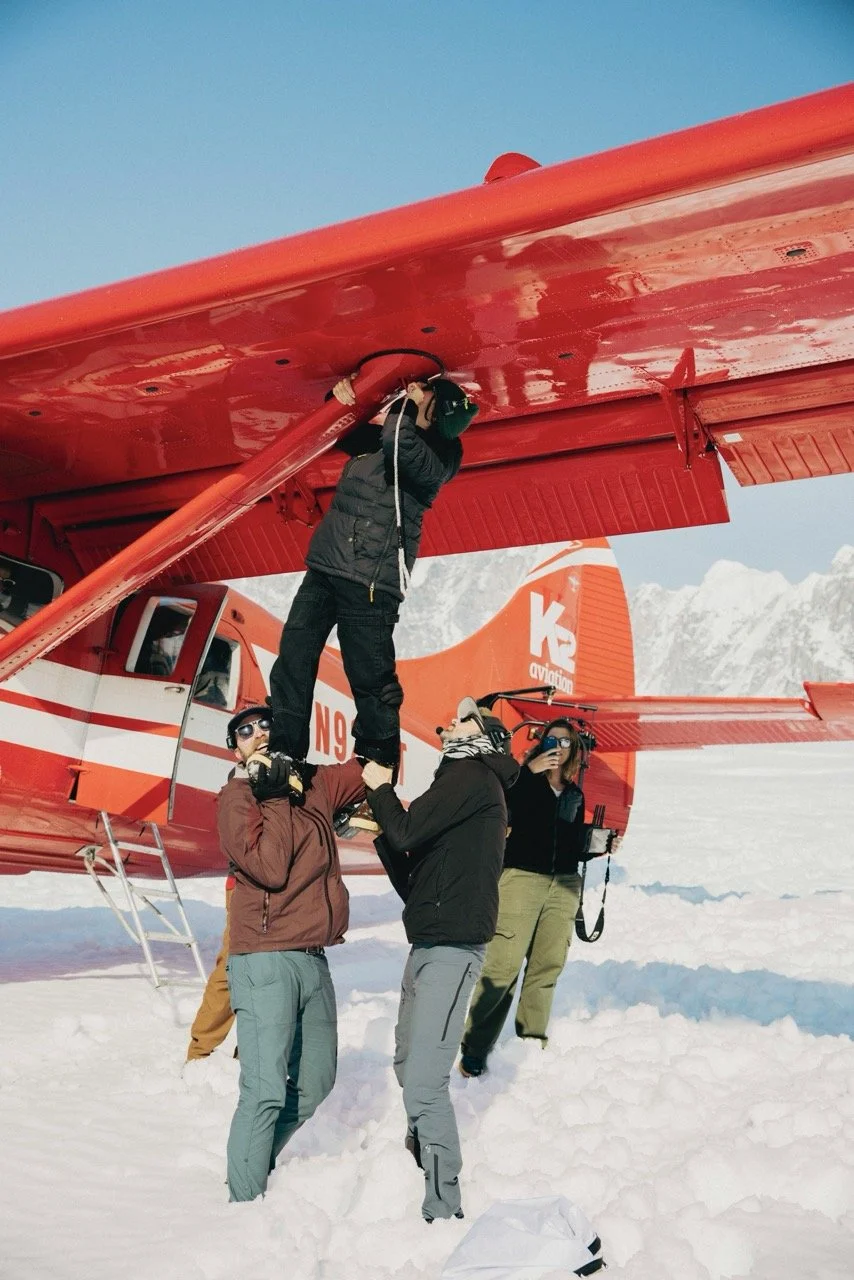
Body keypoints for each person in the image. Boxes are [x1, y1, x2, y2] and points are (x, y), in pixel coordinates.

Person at [257, 372, 478, 818]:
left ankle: (376, 773)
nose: (417, 395)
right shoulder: (388, 437)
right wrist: (339, 399)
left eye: (427, 394)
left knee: (371, 681)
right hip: (327, 567)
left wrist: (405, 403)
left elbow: (400, 443)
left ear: (439, 413)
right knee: (294, 656)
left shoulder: (438, 457)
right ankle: (286, 753)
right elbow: (343, 431)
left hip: (372, 581)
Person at [362, 697, 519, 1223]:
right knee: (409, 1064)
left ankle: (444, 1205)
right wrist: (382, 831)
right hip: (431, 943)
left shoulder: (472, 776)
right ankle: (423, 1161)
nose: (450, 721)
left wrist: (380, 787)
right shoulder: (462, 787)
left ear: (484, 738)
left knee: (425, 1082)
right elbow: (417, 881)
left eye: (463, 718)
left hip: (450, 950)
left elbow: (407, 830)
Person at [217, 703, 365, 1202]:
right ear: (235, 748)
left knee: (316, 1082)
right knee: (263, 1091)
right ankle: (243, 1204)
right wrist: (276, 793)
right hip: (264, 958)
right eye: (244, 731)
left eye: (266, 726)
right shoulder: (238, 798)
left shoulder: (315, 786)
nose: (257, 734)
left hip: (313, 956)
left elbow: (369, 768)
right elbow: (271, 867)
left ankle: (252, 1164)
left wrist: (379, 704)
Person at [458, 720, 587, 1078]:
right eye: (552, 739)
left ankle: (531, 1041)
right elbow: (500, 806)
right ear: (541, 744)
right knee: (503, 966)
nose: (558, 746)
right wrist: (527, 773)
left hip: (563, 885)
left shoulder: (575, 794)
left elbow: (572, 843)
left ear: (573, 749)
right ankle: (475, 1048)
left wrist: (597, 844)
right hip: (521, 880)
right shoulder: (520, 780)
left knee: (547, 966)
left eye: (566, 741)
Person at [185, 876, 236, 1061]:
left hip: (288, 888)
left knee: (269, 976)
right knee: (232, 968)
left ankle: (252, 1060)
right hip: (249, 883)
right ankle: (199, 1055)